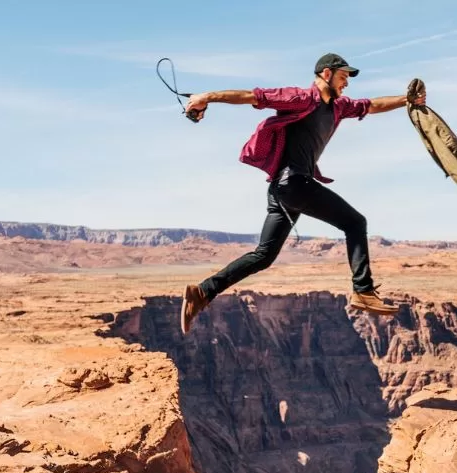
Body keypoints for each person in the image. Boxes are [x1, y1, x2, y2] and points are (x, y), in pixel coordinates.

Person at [179, 53, 426, 334]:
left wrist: (407, 100)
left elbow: (372, 105)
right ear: (326, 74)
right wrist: (205, 97)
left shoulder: (338, 107)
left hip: (282, 190)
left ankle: (202, 293)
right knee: (355, 223)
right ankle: (363, 290)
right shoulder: (301, 98)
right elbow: (251, 96)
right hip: (293, 184)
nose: (346, 84)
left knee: (263, 255)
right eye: (343, 77)